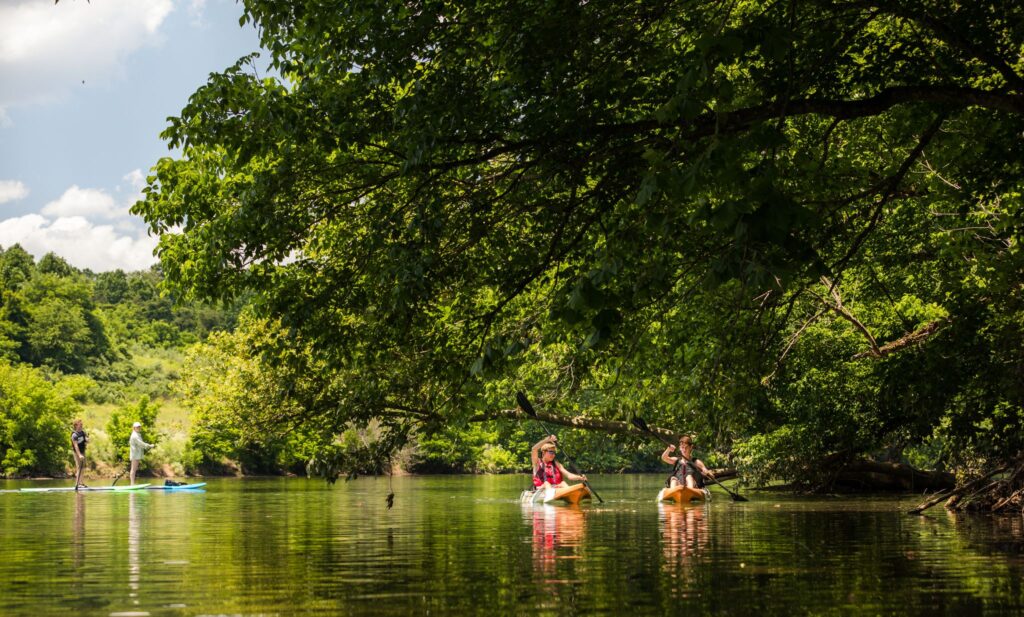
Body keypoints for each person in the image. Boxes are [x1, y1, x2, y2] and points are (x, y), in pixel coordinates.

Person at [70, 419, 88, 490]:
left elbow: (85, 440)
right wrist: (79, 455)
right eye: (80, 424)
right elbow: (75, 446)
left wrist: (87, 440)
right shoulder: (74, 435)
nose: (82, 425)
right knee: (79, 467)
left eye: (82, 424)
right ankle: (77, 484)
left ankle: (81, 483)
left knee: (82, 467)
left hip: (83, 452)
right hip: (77, 452)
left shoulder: (83, 432)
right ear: (76, 425)